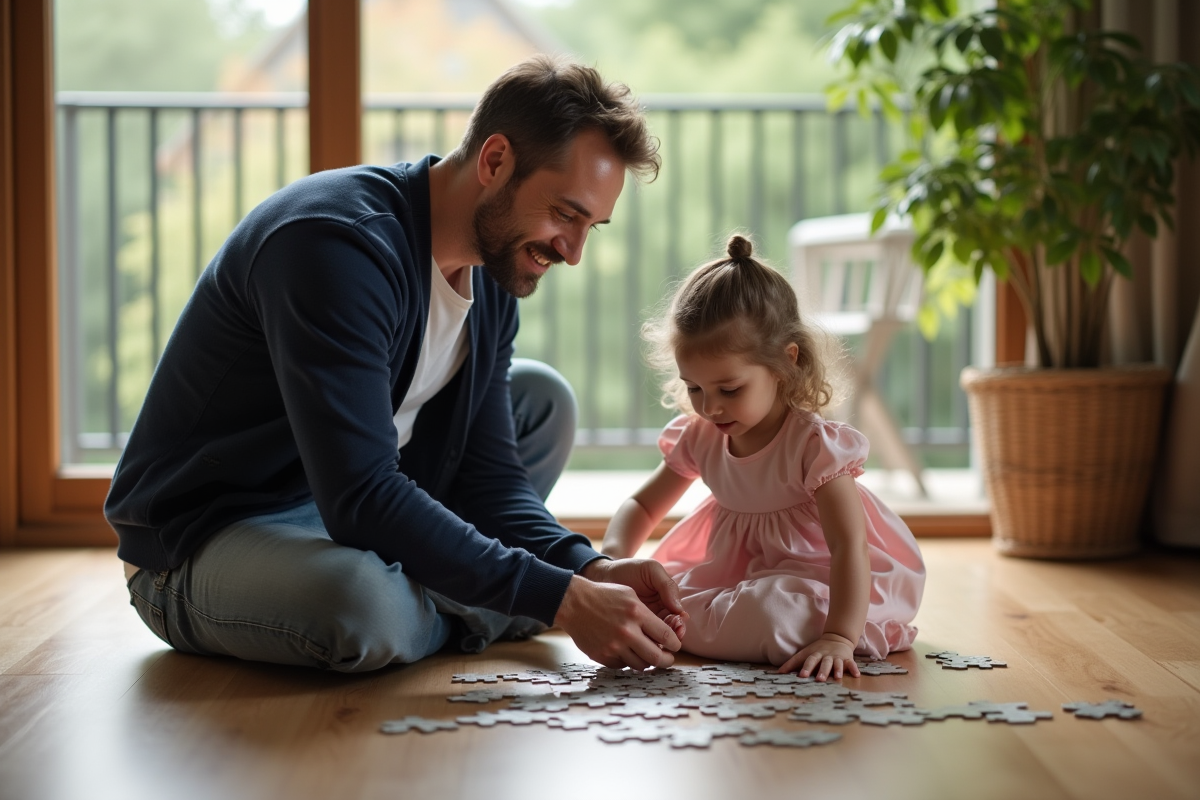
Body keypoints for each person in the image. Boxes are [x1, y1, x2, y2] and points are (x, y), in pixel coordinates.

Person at [105, 55, 689, 673]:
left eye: (590, 227)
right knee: (361, 605)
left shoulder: (490, 278)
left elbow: (490, 481)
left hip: (349, 508)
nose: (571, 252)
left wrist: (587, 568)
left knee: (541, 401)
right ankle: (467, 597)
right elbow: (359, 493)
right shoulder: (335, 244)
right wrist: (559, 599)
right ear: (495, 162)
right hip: (208, 536)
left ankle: (456, 585)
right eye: (565, 213)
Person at [600, 234, 925, 681]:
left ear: (784, 363)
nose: (709, 407)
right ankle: (716, 624)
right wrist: (612, 563)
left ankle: (770, 627)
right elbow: (642, 504)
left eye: (729, 390)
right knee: (667, 600)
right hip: (731, 576)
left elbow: (848, 546)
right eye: (695, 388)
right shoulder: (701, 435)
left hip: (820, 580)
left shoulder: (814, 445)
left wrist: (840, 637)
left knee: (774, 612)